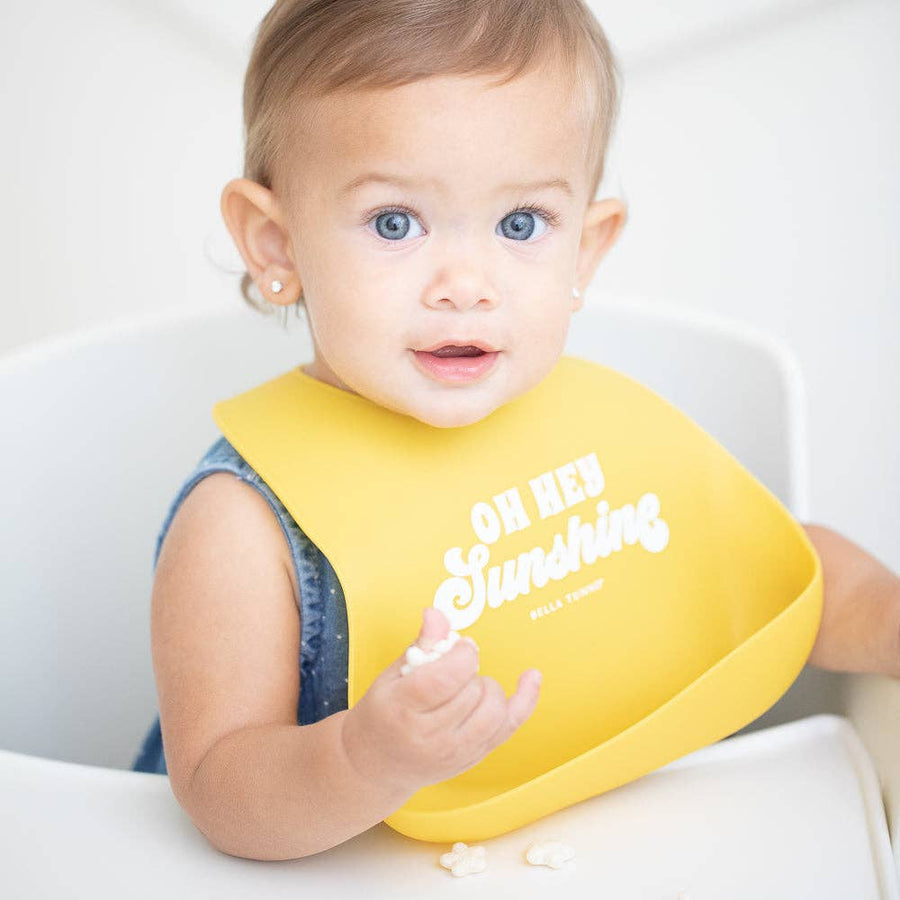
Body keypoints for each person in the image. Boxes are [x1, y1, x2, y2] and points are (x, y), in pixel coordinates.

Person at [132, 0, 900, 862]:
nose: (467, 283)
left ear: (586, 248)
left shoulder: (599, 430)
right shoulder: (241, 525)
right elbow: (219, 787)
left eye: (521, 224)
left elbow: (782, 572)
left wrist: (882, 615)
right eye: (395, 222)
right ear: (276, 245)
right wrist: (362, 760)